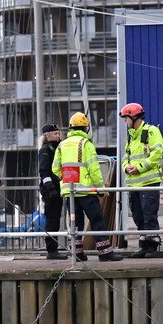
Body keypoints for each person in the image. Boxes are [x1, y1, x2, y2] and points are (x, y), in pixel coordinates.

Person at [52, 111, 121, 262]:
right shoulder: (86, 144)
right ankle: (105, 252)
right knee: (97, 220)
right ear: (85, 128)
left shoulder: (61, 145)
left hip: (70, 193)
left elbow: (55, 169)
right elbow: (94, 169)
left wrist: (65, 179)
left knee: (75, 223)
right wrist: (101, 189)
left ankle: (77, 253)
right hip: (86, 191)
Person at [118, 102, 163, 257]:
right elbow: (126, 157)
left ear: (134, 116)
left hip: (149, 182)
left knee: (149, 214)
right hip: (134, 184)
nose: (125, 121)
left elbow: (156, 154)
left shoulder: (151, 131)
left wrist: (139, 167)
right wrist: (126, 167)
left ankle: (152, 247)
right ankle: (144, 245)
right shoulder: (131, 137)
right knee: (138, 215)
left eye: (126, 118)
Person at [36, 123, 66, 259]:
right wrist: (51, 189)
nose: (58, 135)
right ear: (47, 136)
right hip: (50, 190)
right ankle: (51, 250)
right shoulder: (45, 150)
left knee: (56, 218)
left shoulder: (57, 148)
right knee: (52, 219)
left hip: (58, 188)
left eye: (58, 133)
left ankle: (54, 248)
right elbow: (44, 171)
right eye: (55, 134)